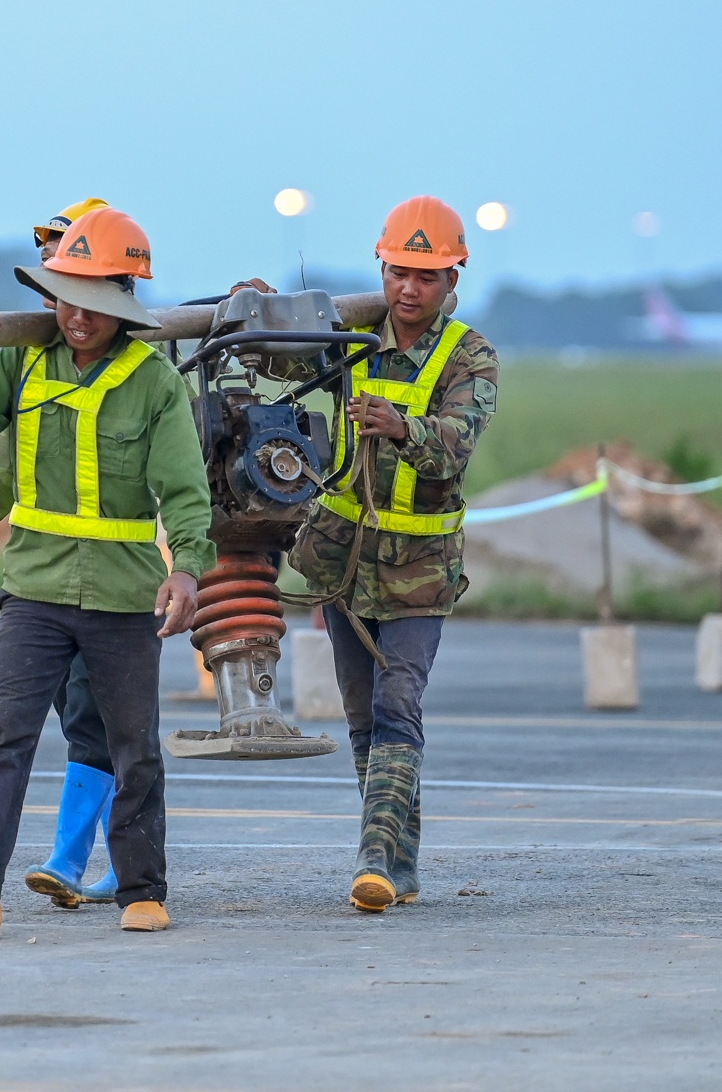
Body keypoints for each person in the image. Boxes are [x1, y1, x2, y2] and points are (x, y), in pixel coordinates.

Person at [0, 205, 213, 938]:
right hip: (34, 594)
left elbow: (184, 490)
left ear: (124, 299)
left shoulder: (155, 382)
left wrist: (189, 572)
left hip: (121, 597)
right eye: (65, 295)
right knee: (6, 736)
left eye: (95, 301)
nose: (76, 316)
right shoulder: (22, 362)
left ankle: (143, 891)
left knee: (132, 745)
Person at [264, 195, 498, 912]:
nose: (409, 289)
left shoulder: (471, 355)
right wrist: (259, 311)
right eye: (399, 271)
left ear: (453, 280)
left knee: (400, 705)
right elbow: (277, 363)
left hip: (421, 572)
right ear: (383, 268)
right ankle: (401, 865)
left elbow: (456, 443)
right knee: (365, 717)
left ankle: (372, 856)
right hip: (342, 562)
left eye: (426, 277)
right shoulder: (348, 332)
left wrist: (403, 427)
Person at [0, 197, 127, 909]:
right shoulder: (28, 361)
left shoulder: (136, 357)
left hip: (116, 583)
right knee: (44, 723)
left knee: (106, 722)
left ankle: (101, 868)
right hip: (44, 580)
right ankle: (66, 865)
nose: (53, 289)